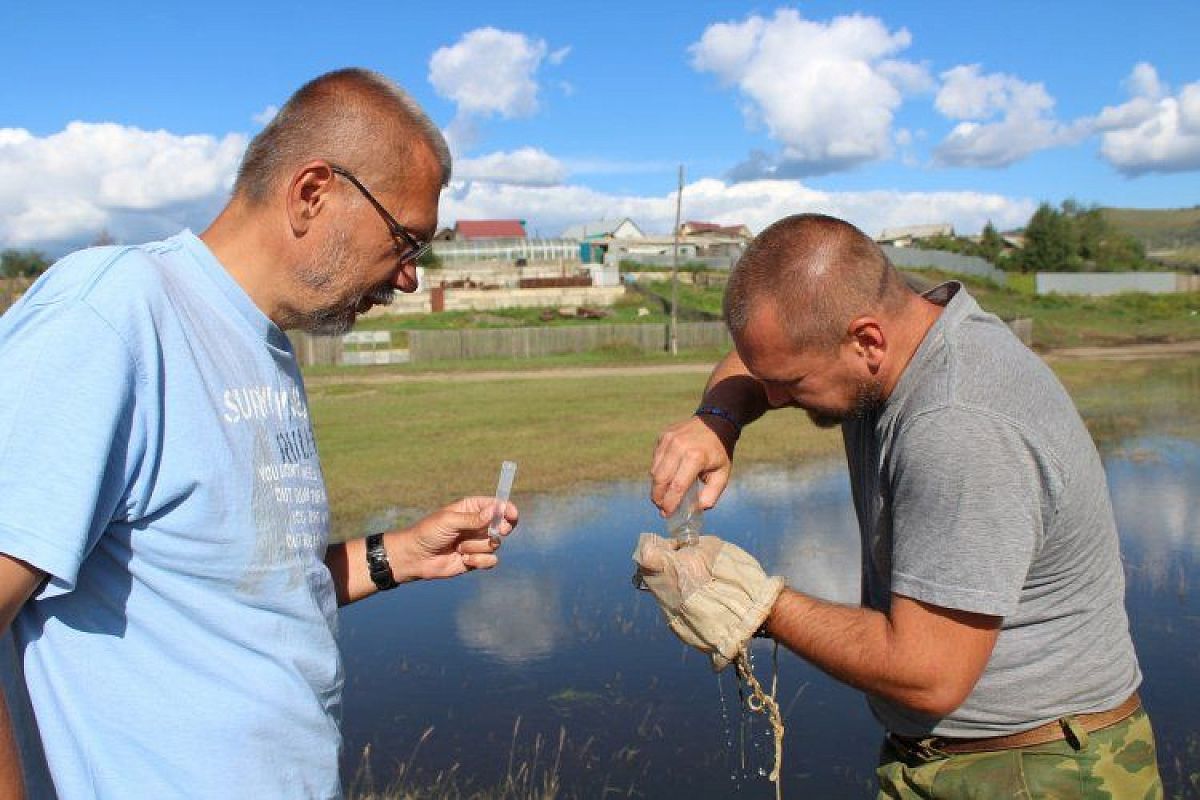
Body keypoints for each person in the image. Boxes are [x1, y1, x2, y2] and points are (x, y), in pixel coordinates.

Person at [0, 68, 518, 799]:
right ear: (313, 193)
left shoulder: (263, 346)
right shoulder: (113, 313)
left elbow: (243, 590)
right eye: (406, 240)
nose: (408, 277)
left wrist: (399, 554)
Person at [638, 213, 1162, 797]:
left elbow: (926, 674)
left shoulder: (959, 425)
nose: (776, 396)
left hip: (1037, 770)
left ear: (867, 340)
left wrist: (752, 603)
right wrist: (718, 418)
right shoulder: (902, 324)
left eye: (791, 382)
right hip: (952, 755)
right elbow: (755, 363)